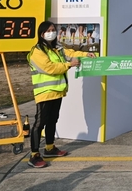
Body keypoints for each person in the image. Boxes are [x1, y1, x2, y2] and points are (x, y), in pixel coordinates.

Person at [27, 21, 96, 168]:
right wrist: (69, 65)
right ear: (42, 34)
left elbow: (70, 53)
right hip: (45, 93)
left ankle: (49, 148)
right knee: (40, 123)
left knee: (52, 120)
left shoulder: (56, 49)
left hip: (57, 92)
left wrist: (85, 54)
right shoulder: (37, 51)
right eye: (48, 30)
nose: (52, 32)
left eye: (53, 30)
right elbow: (49, 68)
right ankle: (34, 155)